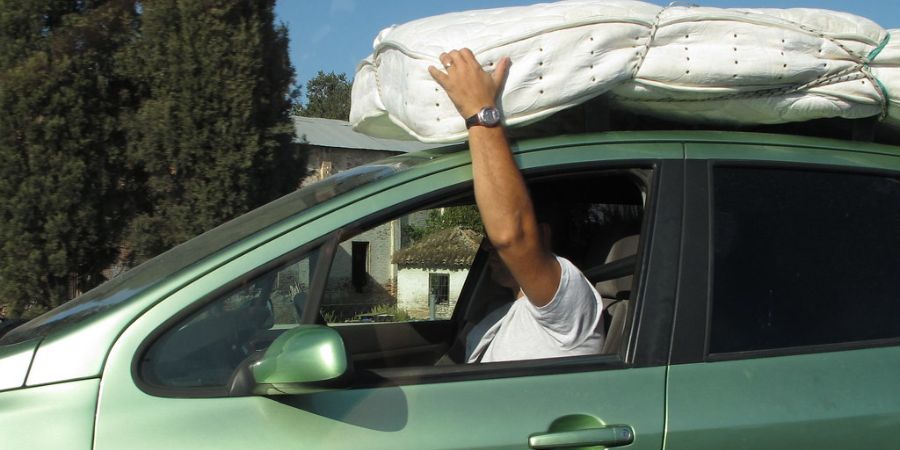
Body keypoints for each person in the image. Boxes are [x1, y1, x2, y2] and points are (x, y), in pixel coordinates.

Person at [428, 49, 605, 363]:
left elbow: (511, 235)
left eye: (492, 240)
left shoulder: (569, 302)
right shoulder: (495, 318)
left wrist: (480, 112)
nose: (488, 247)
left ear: (542, 233)